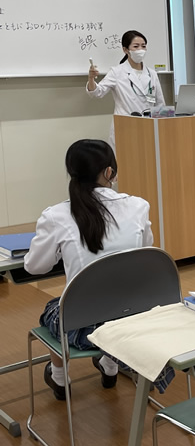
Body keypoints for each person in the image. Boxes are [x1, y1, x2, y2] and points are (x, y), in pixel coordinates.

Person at [24, 139, 153, 400]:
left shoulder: (56, 215)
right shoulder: (139, 206)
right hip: (135, 321)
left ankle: (59, 378)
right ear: (109, 172)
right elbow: (146, 252)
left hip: (83, 329)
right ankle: (109, 366)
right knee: (114, 297)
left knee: (55, 307)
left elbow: (35, 267)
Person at [86, 30, 166, 150]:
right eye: (136, 46)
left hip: (149, 128)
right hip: (125, 128)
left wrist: (164, 125)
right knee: (125, 159)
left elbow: (160, 105)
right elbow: (96, 93)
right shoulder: (117, 72)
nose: (140, 50)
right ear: (125, 50)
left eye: (143, 46)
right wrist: (91, 79)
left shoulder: (152, 74)